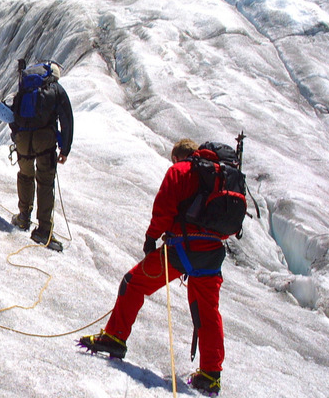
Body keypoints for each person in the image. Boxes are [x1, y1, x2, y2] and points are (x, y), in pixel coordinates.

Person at [78, 138, 227, 396]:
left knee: (133, 283)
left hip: (182, 248)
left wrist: (151, 238)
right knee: (206, 311)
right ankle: (211, 374)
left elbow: (164, 208)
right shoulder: (221, 176)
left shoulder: (181, 171)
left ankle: (114, 337)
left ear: (181, 157)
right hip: (213, 253)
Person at [8, 60, 73, 251]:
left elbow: (13, 112)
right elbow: (66, 119)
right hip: (44, 139)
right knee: (44, 182)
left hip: (22, 138)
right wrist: (65, 148)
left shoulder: (26, 87)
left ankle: (23, 218)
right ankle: (43, 230)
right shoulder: (56, 90)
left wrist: (17, 135)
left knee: (25, 175)